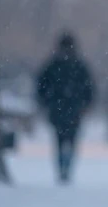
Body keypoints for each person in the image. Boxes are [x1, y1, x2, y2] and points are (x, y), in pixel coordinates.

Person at [36, 33, 95, 184]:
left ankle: (63, 168)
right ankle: (66, 168)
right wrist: (86, 104)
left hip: (59, 109)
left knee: (60, 141)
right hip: (72, 109)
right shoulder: (78, 66)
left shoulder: (53, 65)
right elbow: (89, 88)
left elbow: (41, 87)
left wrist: (46, 102)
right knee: (70, 141)